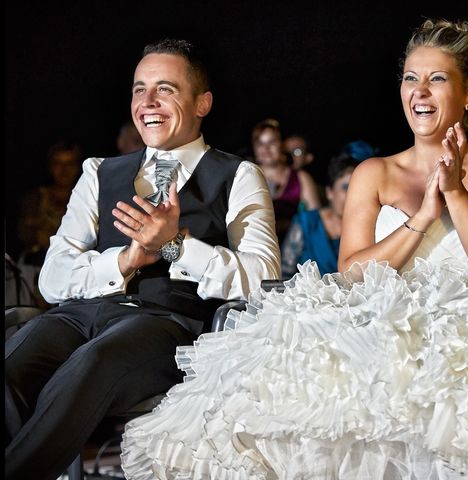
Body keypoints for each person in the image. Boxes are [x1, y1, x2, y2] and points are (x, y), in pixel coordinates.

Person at [121, 20, 468, 479]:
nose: (420, 90)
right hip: (382, 315)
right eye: (411, 77)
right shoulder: (375, 172)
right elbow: (350, 271)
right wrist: (421, 218)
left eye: (437, 78)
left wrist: (456, 192)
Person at [4, 38, 280, 480]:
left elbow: (262, 277)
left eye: (165, 88)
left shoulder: (238, 176)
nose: (147, 102)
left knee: (90, 364)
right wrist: (126, 260)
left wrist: (176, 247)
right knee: (11, 366)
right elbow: (52, 279)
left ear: (202, 102)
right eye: (138, 89)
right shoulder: (98, 171)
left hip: (165, 324)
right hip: (79, 315)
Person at [14, 140, 83, 307]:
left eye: (69, 163)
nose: (64, 170)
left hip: (75, 272)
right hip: (36, 273)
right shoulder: (36, 198)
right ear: (50, 166)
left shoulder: (85, 197)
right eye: (58, 164)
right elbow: (25, 233)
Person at [280, 152, 359, 279]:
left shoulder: (365, 229)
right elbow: (285, 272)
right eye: (345, 187)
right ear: (330, 192)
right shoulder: (307, 222)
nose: (352, 195)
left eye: (357, 188)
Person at [251, 118, 321, 243]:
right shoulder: (247, 175)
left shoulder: (301, 177)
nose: (265, 148)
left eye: (272, 142)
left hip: (291, 246)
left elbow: (315, 220)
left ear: (282, 145)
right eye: (260, 143)